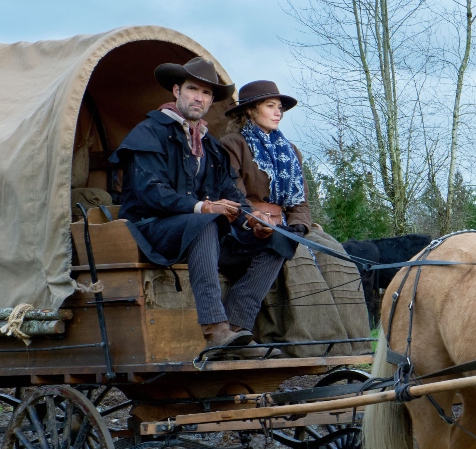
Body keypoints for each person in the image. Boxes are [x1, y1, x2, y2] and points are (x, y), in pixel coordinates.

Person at [109, 57, 294, 357]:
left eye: (206, 93)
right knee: (205, 223)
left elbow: (230, 191)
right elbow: (150, 193)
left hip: (200, 236)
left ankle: (236, 330)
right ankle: (215, 329)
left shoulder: (210, 146)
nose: (199, 97)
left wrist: (252, 218)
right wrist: (202, 208)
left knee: (278, 240)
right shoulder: (148, 133)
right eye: (193, 89)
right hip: (150, 231)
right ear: (176, 91)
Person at [219, 81, 371, 354]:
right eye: (270, 106)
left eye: (280, 107)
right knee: (296, 256)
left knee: (335, 255)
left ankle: (353, 345)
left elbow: (300, 202)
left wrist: (299, 226)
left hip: (287, 223)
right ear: (251, 110)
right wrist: (257, 219)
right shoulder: (233, 145)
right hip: (246, 225)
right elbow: (232, 194)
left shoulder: (289, 150)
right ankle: (309, 345)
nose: (278, 112)